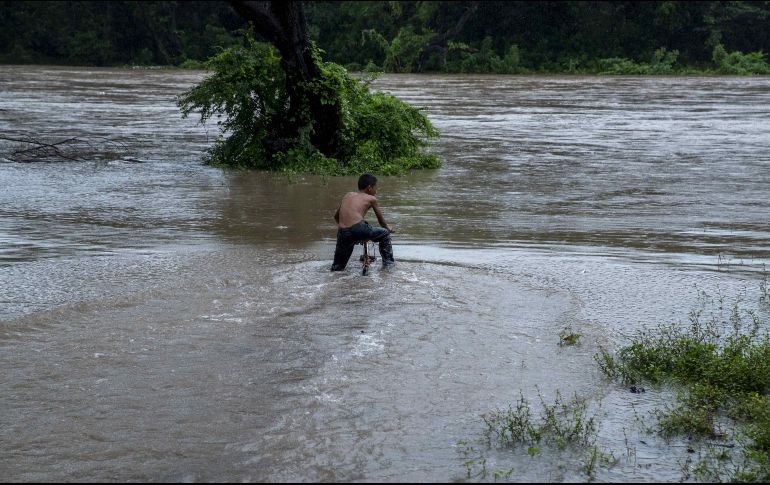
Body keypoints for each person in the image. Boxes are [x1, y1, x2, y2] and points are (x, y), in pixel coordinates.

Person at [331, 173, 395, 271]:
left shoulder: (348, 195)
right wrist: (388, 228)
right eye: (376, 188)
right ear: (369, 188)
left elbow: (336, 217)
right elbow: (382, 222)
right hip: (359, 228)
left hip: (343, 232)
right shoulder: (371, 198)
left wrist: (350, 233)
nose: (376, 191)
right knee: (385, 234)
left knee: (337, 268)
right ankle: (389, 267)